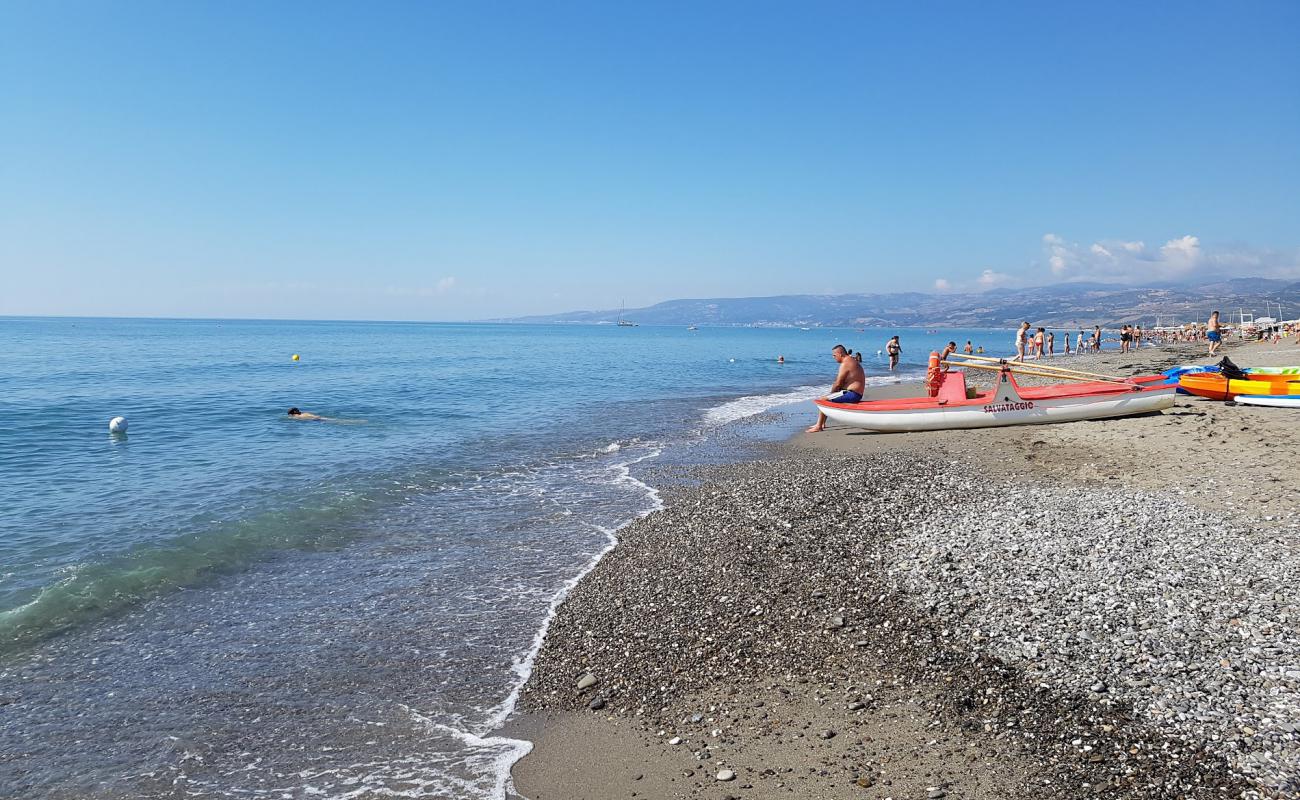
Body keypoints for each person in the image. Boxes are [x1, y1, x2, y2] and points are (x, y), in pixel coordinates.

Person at [806, 344, 866, 433]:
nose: (833, 357)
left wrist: (831, 394)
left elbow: (838, 383)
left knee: (823, 400)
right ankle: (822, 424)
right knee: (827, 398)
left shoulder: (845, 363)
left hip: (852, 394)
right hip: (855, 393)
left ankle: (819, 426)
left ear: (840, 354)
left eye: (834, 355)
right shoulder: (851, 361)